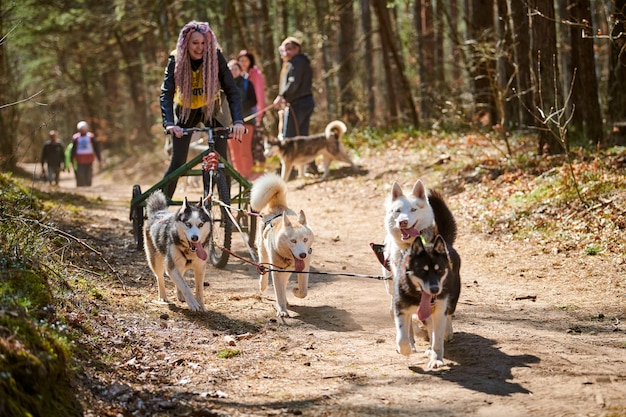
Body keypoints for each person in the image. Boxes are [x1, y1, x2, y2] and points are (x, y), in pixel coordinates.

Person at [160, 20, 245, 198]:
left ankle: (226, 210)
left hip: (211, 108)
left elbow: (231, 90)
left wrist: (238, 121)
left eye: (203, 43)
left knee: (221, 161)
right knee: (178, 161)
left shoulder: (215, 56)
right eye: (195, 43)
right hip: (185, 110)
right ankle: (160, 207)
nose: (200, 48)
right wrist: (169, 123)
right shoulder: (176, 59)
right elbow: (166, 93)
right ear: (186, 43)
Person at [272, 36, 318, 175]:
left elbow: (294, 83)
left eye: (290, 49)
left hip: (298, 104)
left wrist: (282, 96)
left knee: (289, 137)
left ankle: (288, 171)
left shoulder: (296, 62)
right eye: (284, 50)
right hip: (304, 102)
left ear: (297, 49)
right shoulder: (300, 62)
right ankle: (310, 166)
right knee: (302, 137)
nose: (287, 52)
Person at [237, 49, 267, 171]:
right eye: (241, 60)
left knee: (257, 141)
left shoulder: (255, 74)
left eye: (246, 60)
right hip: (243, 114)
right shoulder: (238, 76)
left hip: (255, 112)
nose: (243, 63)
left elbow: (259, 94)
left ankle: (260, 169)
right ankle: (248, 169)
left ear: (250, 61)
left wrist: (260, 112)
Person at [227, 59, 256, 179]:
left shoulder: (247, 84)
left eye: (235, 68)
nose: (233, 71)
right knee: (234, 152)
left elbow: (253, 101)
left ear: (240, 70)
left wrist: (238, 108)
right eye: (230, 69)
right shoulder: (224, 85)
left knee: (245, 150)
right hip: (229, 124)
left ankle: (247, 175)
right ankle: (237, 175)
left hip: (246, 122)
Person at [71, 121, 102, 187]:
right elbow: (73, 149)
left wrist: (99, 159)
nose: (82, 131)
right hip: (79, 158)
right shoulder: (76, 137)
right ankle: (80, 185)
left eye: (84, 129)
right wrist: (72, 158)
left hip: (89, 158)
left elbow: (96, 148)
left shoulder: (91, 136)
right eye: (81, 129)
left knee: (88, 172)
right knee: (80, 172)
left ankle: (88, 185)